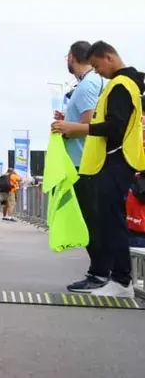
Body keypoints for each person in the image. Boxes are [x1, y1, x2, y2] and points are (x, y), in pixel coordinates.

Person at [53, 41, 145, 298]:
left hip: (115, 160)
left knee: (111, 221)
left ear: (109, 57)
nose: (98, 72)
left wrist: (77, 129)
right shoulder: (127, 84)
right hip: (116, 161)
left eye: (97, 66)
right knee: (109, 220)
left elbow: (115, 128)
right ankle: (118, 279)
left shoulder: (120, 86)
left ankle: (121, 280)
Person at [53, 40, 108, 293]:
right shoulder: (90, 84)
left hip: (85, 164)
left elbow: (90, 126)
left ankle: (99, 274)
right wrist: (69, 122)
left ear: (72, 57)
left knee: (91, 221)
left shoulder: (87, 85)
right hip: (87, 162)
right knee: (93, 219)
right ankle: (99, 271)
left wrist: (67, 129)